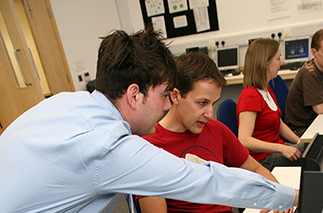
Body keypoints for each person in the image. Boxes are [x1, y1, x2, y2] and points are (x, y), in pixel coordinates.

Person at [0, 26, 298, 212]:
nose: (168, 103)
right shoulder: (109, 147)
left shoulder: (66, 103)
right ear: (134, 95)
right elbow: (203, 180)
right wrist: (291, 197)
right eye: (165, 94)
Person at [135, 51, 293, 213]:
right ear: (175, 96)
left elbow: (255, 169)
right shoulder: (150, 150)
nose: (210, 114)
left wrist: (278, 196)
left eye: (213, 104)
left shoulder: (216, 130)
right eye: (202, 103)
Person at [237, 38, 303, 172]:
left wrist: (300, 141)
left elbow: (279, 124)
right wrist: (282, 148)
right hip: (263, 160)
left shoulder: (266, 89)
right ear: (266, 63)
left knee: (310, 148)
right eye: (278, 59)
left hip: (275, 150)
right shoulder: (250, 95)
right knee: (311, 155)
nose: (281, 63)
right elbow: (244, 140)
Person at [285, 28, 323, 136]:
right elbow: (320, 109)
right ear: (314, 52)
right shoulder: (309, 74)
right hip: (300, 129)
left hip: (315, 121)